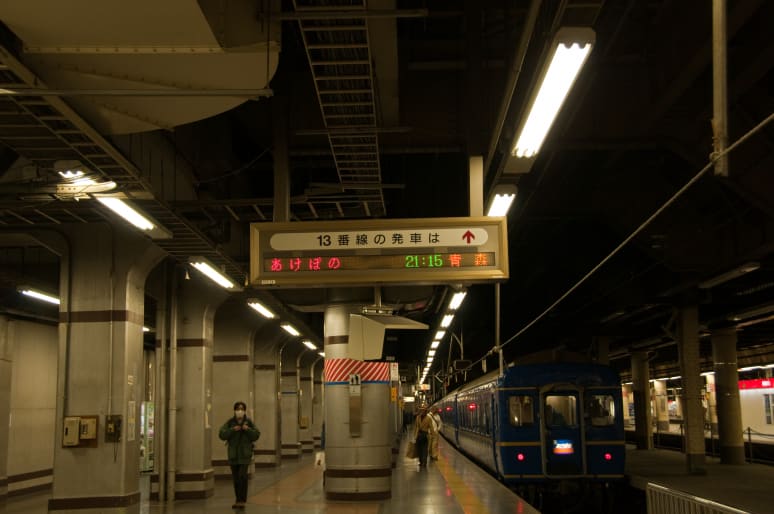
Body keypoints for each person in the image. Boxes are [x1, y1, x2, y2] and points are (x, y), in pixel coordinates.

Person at [219, 401, 260, 509]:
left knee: (242, 476)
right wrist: (232, 430)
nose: (239, 411)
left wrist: (248, 430)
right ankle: (237, 499)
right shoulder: (230, 422)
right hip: (233, 455)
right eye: (238, 409)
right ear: (234, 410)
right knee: (236, 478)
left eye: (242, 409)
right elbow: (222, 434)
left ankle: (242, 500)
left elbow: (256, 435)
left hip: (245, 455)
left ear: (245, 411)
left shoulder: (249, 422)